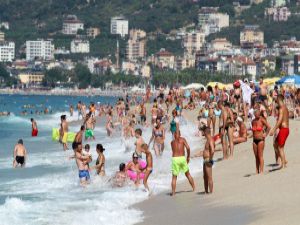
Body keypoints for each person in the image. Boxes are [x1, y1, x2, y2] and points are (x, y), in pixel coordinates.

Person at [170, 130, 195, 196]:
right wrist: (188, 156)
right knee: (187, 174)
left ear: (174, 135)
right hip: (182, 158)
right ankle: (194, 188)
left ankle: (173, 193)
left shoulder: (172, 142)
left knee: (174, 177)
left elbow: (173, 150)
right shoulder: (183, 139)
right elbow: (188, 148)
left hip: (175, 159)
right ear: (180, 134)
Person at [270, 94, 289, 169]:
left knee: (280, 147)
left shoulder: (281, 108)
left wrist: (274, 129)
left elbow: (280, 120)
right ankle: (284, 160)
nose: (276, 101)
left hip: (284, 129)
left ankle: (283, 164)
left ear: (279, 99)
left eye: (276, 99)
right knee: (275, 144)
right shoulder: (285, 108)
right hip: (285, 129)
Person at [252, 109, 271, 174]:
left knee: (260, 156)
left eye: (258, 113)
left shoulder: (262, 119)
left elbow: (269, 127)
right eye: (255, 113)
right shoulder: (253, 121)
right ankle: (257, 171)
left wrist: (266, 133)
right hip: (254, 140)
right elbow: (253, 131)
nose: (256, 114)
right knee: (256, 156)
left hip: (261, 140)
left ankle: (261, 171)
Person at [200, 125, 215, 194]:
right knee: (205, 177)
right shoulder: (208, 140)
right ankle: (206, 191)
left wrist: (210, 159)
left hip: (208, 159)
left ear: (206, 132)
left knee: (209, 177)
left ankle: (211, 192)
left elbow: (212, 150)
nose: (202, 133)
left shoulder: (210, 140)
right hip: (205, 160)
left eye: (203, 132)